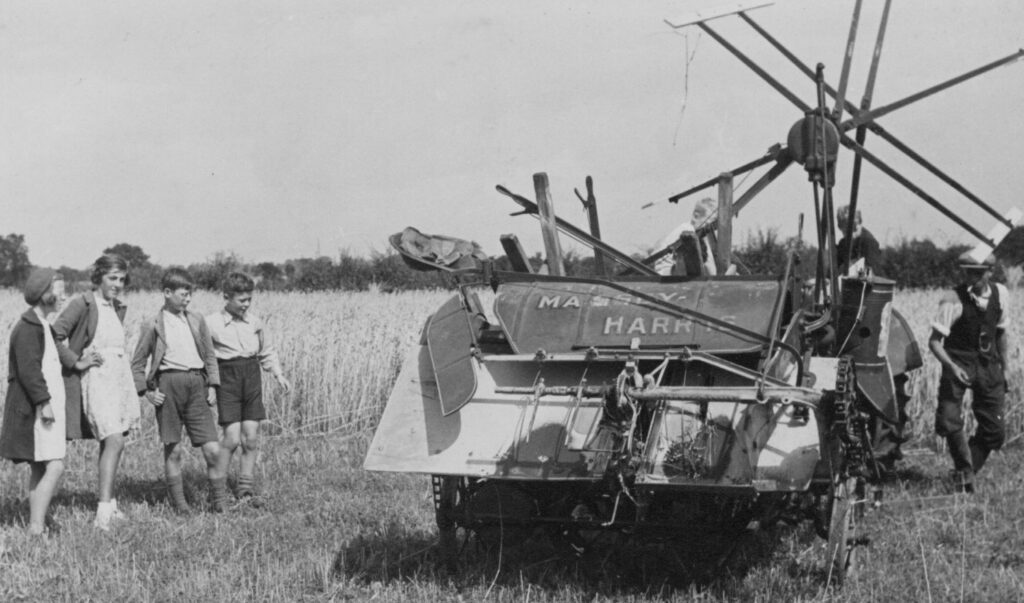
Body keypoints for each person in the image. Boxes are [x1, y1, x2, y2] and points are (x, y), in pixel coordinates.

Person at [0, 269, 100, 534]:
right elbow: (29, 371)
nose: (64, 296)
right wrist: (44, 403)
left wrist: (78, 364)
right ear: (45, 295)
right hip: (35, 411)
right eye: (59, 290)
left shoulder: (42, 325)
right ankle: (36, 526)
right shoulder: (28, 327)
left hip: (42, 409)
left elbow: (54, 357)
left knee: (39, 467)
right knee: (54, 466)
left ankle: (37, 523)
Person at [53, 253, 141, 530]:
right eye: (112, 278)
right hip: (96, 379)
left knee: (115, 439)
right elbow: (54, 334)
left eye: (122, 279)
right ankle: (102, 512)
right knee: (114, 439)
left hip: (118, 378)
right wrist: (76, 361)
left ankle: (110, 504)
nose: (117, 284)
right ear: (98, 276)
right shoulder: (83, 303)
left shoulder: (116, 306)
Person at [130, 268, 229, 513]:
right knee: (173, 450)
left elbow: (209, 355)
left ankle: (219, 502)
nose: (188, 299)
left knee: (213, 449)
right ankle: (180, 504)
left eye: (190, 294)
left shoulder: (196, 320)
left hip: (197, 385)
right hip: (168, 388)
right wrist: (146, 392)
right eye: (183, 294)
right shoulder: (153, 324)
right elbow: (137, 363)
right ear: (167, 293)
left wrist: (212, 385)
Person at [928, 252, 1009, 493]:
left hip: (988, 364)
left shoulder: (1001, 294)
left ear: (990, 272)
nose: (971, 277)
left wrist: (1005, 369)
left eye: (978, 273)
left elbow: (1001, 333)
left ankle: (966, 471)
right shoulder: (952, 299)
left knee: (995, 431)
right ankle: (964, 474)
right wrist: (952, 367)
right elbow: (934, 342)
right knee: (948, 418)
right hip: (958, 361)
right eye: (968, 272)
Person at [207, 272, 291, 502]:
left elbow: (266, 351)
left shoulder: (255, 322)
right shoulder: (211, 323)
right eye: (241, 300)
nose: (246, 304)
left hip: (251, 377)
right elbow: (206, 358)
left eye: (249, 300)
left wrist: (278, 374)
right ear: (226, 297)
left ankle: (245, 490)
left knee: (251, 438)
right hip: (227, 379)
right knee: (231, 439)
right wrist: (210, 386)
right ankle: (218, 491)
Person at [835, 204, 881, 277]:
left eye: (854, 229)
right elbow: (834, 270)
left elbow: (871, 273)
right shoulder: (842, 244)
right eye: (845, 231)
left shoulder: (869, 243)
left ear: (859, 223)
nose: (851, 234)